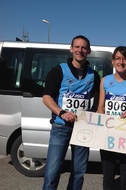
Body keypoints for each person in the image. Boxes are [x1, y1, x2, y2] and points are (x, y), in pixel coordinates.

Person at [42, 35, 100, 190]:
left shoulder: (94, 75)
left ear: (88, 51)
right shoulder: (59, 70)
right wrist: (61, 113)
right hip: (61, 127)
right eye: (77, 47)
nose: (80, 50)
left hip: (82, 128)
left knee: (79, 172)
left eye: (83, 47)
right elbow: (47, 97)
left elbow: (98, 100)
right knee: (52, 172)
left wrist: (92, 113)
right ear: (71, 49)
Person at [97, 46, 126, 190]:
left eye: (124, 58)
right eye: (118, 58)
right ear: (112, 61)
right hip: (109, 131)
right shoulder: (105, 80)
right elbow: (100, 106)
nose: (121, 62)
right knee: (108, 172)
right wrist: (102, 117)